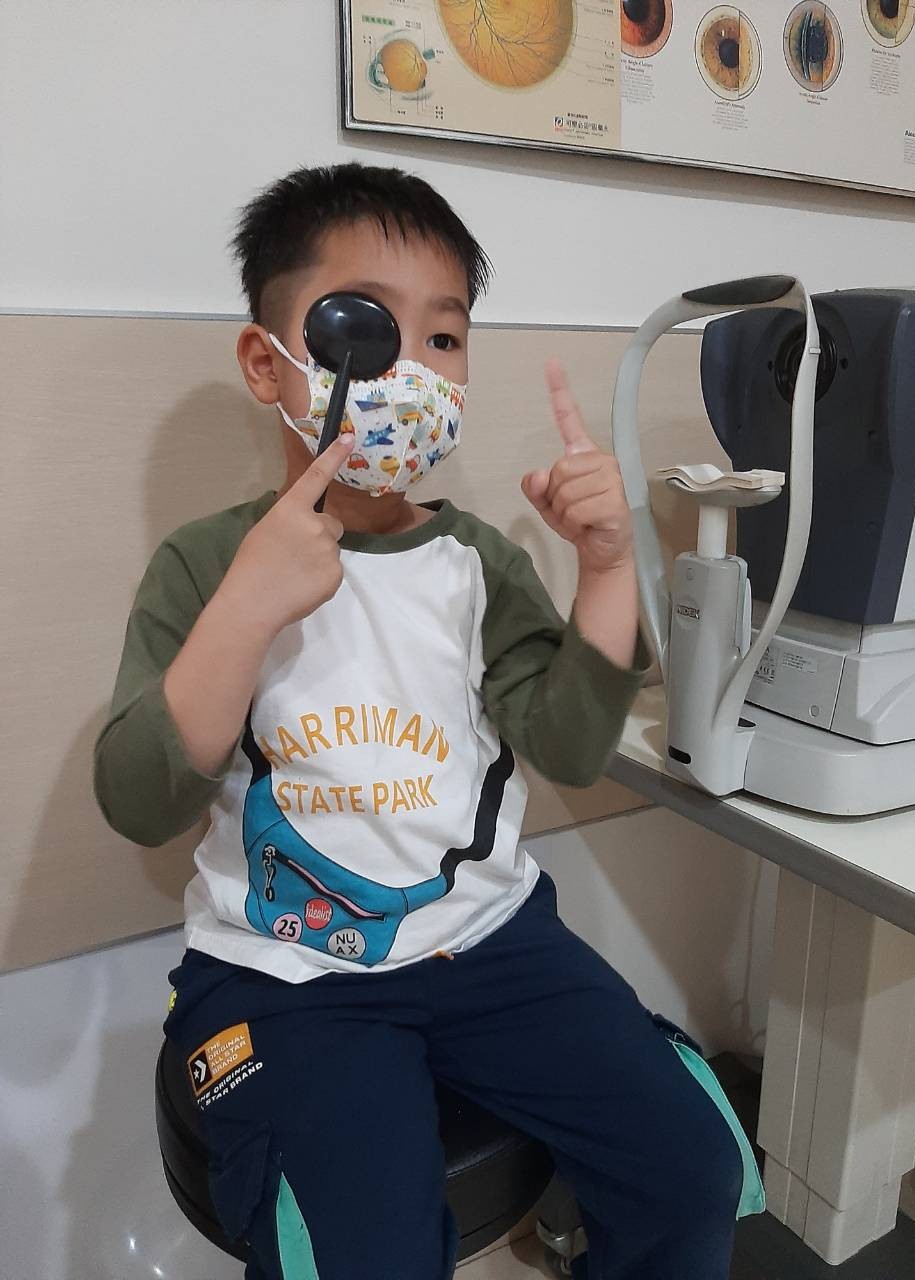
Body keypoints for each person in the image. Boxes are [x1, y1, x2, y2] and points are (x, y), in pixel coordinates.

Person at [95, 163, 756, 1280]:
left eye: (443, 337)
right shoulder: (205, 564)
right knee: (365, 1251)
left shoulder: (475, 564)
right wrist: (248, 603)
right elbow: (138, 801)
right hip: (285, 970)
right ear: (268, 361)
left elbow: (570, 745)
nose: (409, 368)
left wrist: (607, 569)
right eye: (364, 327)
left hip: (492, 938)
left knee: (691, 1167)